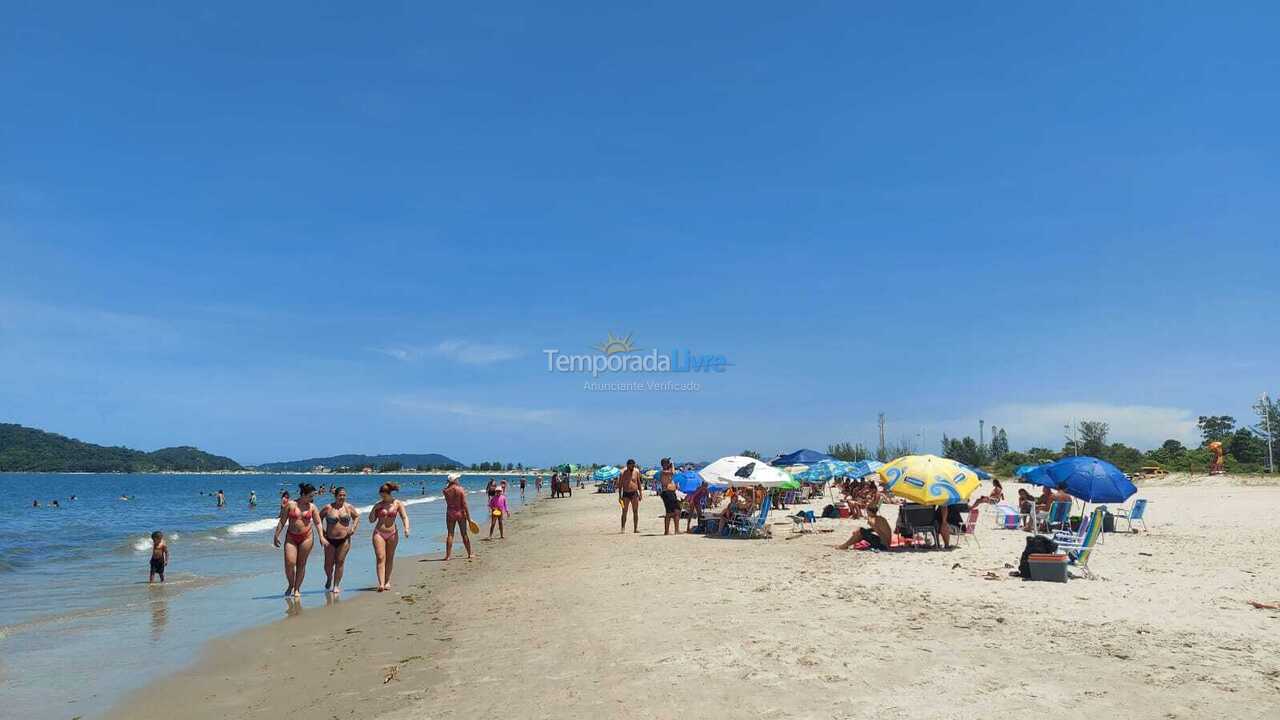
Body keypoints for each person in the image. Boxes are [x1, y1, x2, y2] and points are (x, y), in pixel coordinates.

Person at [273, 483, 326, 597]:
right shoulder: (291, 505)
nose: (312, 499)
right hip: (291, 537)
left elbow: (318, 523)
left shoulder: (312, 507)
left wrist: (321, 536)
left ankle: (297, 589)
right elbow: (282, 521)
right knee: (289, 563)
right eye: (310, 496)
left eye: (313, 497)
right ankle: (291, 584)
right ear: (303, 494)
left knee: (301, 564)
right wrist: (276, 535)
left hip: (306, 537)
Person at [368, 482, 409, 592]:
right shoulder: (379, 504)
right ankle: (381, 583)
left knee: (390, 557)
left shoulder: (397, 503)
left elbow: (404, 517)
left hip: (392, 533)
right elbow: (371, 520)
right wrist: (374, 509)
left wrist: (406, 528)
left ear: (389, 493)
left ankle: (387, 581)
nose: (382, 497)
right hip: (379, 533)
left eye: (384, 495)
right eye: (381, 495)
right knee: (380, 557)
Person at [321, 486, 359, 594]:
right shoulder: (328, 508)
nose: (342, 497)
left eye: (344, 495)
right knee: (328, 564)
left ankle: (336, 585)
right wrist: (322, 533)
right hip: (329, 540)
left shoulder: (348, 507)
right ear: (335, 496)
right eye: (340, 495)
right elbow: (318, 518)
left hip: (344, 540)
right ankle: (329, 577)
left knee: (340, 562)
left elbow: (356, 516)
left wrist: (353, 528)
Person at [443, 473, 474, 560]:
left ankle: (448, 556)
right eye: (457, 479)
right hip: (460, 513)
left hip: (450, 513)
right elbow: (464, 504)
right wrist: (468, 517)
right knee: (464, 533)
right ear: (455, 480)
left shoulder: (445, 490)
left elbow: (449, 492)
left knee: (450, 534)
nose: (458, 480)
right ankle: (469, 554)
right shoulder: (460, 489)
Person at [617, 459, 643, 533]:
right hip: (625, 494)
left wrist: (641, 494)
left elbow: (639, 483)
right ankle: (623, 528)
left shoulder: (636, 472)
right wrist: (619, 496)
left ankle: (635, 528)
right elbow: (620, 485)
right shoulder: (623, 473)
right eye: (631, 466)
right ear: (628, 465)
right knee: (624, 511)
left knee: (635, 511)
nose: (633, 467)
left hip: (634, 494)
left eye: (634, 466)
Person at [657, 458, 681, 535]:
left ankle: (676, 530)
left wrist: (675, 486)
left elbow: (671, 479)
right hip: (667, 493)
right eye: (667, 463)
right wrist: (673, 464)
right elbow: (673, 472)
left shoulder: (667, 472)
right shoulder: (663, 471)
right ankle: (667, 531)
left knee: (677, 511)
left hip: (671, 493)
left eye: (668, 463)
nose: (668, 464)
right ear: (663, 464)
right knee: (670, 513)